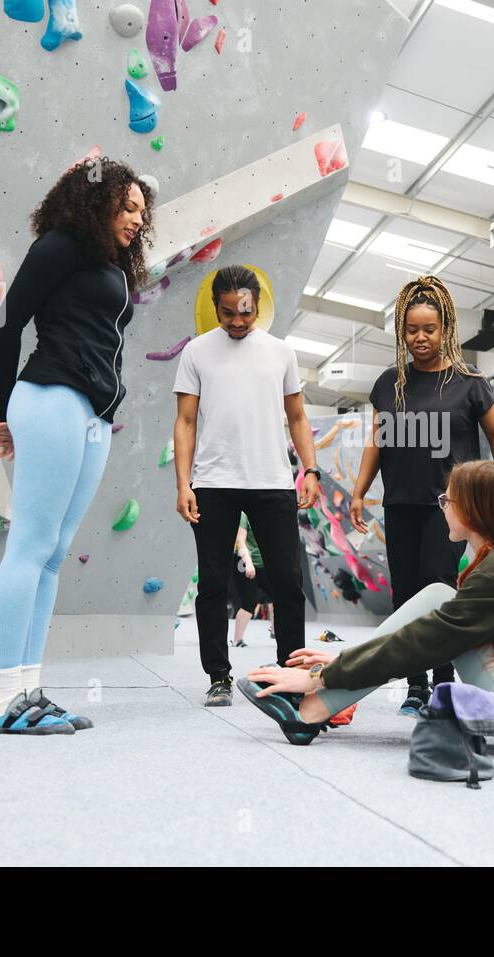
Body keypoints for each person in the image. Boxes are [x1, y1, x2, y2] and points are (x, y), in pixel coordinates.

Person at [240, 461, 494, 764]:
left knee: (440, 615)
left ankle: (311, 708)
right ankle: (325, 700)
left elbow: (428, 640)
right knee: (439, 600)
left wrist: (323, 675)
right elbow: (427, 634)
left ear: (472, 510)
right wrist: (342, 663)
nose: (443, 509)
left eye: (447, 501)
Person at [0, 156, 153, 734]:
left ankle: (27, 689)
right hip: (51, 396)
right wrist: (5, 410)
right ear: (96, 202)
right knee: (29, 546)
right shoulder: (59, 245)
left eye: (141, 213)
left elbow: (108, 343)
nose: (135, 220)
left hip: (93, 415)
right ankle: (2, 700)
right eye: (127, 207)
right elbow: (5, 323)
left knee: (51, 556)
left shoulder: (114, 269)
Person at [350, 275, 494, 716]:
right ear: (402, 332)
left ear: (446, 330)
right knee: (404, 596)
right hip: (400, 502)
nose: (420, 338)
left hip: (450, 510)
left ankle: (443, 684)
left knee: (437, 590)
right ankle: (415, 685)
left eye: (429, 329)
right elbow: (376, 442)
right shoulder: (389, 384)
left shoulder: (470, 382)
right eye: (412, 329)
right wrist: (360, 490)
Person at [173, 265, 321, 706]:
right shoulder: (197, 352)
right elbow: (184, 422)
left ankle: (291, 672)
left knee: (288, 581)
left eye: (246, 314)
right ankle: (218, 675)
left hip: (272, 481)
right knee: (214, 585)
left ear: (258, 306)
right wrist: (184, 484)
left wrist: (309, 469)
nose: (237, 322)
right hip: (214, 482)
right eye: (227, 314)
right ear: (214, 307)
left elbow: (297, 416)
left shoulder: (280, 352)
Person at [229, 512, 273, 648]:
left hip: (265, 563)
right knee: (249, 601)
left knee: (279, 596)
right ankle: (237, 639)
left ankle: (276, 630)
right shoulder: (244, 515)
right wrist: (248, 562)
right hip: (244, 562)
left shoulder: (270, 510)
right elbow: (240, 540)